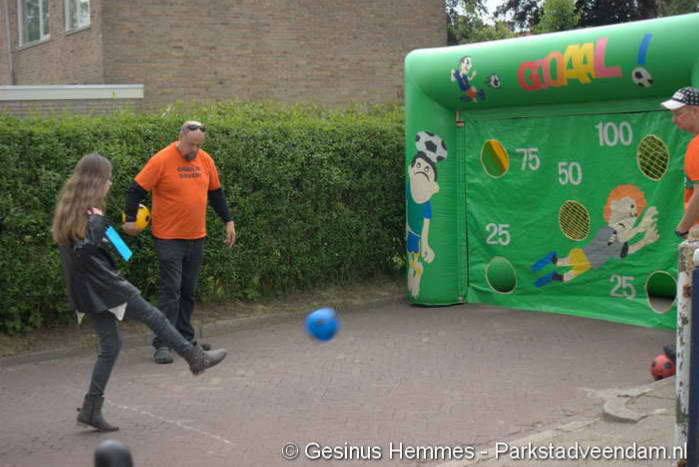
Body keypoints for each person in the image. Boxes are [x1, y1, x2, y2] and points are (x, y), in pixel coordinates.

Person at [52, 153, 227, 432]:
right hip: (106, 287)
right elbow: (84, 254)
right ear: (95, 181)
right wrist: (99, 228)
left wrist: (128, 229)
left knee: (110, 347)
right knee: (155, 317)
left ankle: (91, 409)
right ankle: (196, 358)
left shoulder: (75, 212)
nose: (110, 183)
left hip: (89, 292)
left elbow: (119, 250)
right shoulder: (91, 218)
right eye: (108, 178)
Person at [123, 121, 236, 365]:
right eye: (191, 144)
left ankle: (185, 338)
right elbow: (135, 190)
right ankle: (163, 343)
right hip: (168, 238)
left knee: (187, 291)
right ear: (180, 137)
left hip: (196, 237)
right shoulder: (161, 160)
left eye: (198, 145)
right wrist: (130, 220)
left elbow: (216, 193)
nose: (194, 150)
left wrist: (228, 221)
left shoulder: (205, 160)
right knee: (170, 291)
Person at [662, 86, 699, 363]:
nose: (675, 120)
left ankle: (688, 354)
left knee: (691, 293)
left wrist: (683, 228)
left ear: (696, 111)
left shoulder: (697, 145)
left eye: (679, 113)